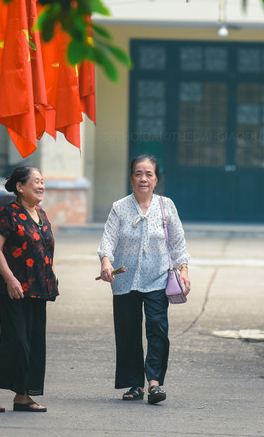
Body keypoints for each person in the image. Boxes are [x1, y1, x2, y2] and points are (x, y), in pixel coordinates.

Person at [98, 154, 191, 405]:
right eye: (138, 173)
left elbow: (179, 244)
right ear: (131, 178)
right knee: (128, 332)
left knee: (158, 330)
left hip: (158, 278)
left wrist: (183, 270)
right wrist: (106, 262)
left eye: (149, 174)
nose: (143, 179)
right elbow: (108, 240)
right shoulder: (119, 207)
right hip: (125, 280)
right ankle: (134, 384)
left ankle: (154, 383)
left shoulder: (166, 206)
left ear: (156, 179)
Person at [0, 166, 58, 413]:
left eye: (43, 181)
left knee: (33, 343)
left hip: (39, 287)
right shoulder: (7, 213)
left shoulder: (41, 214)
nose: (41, 185)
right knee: (16, 341)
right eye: (36, 181)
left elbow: (44, 249)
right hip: (13, 289)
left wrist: (51, 275)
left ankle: (22, 396)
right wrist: (10, 279)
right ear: (20, 187)